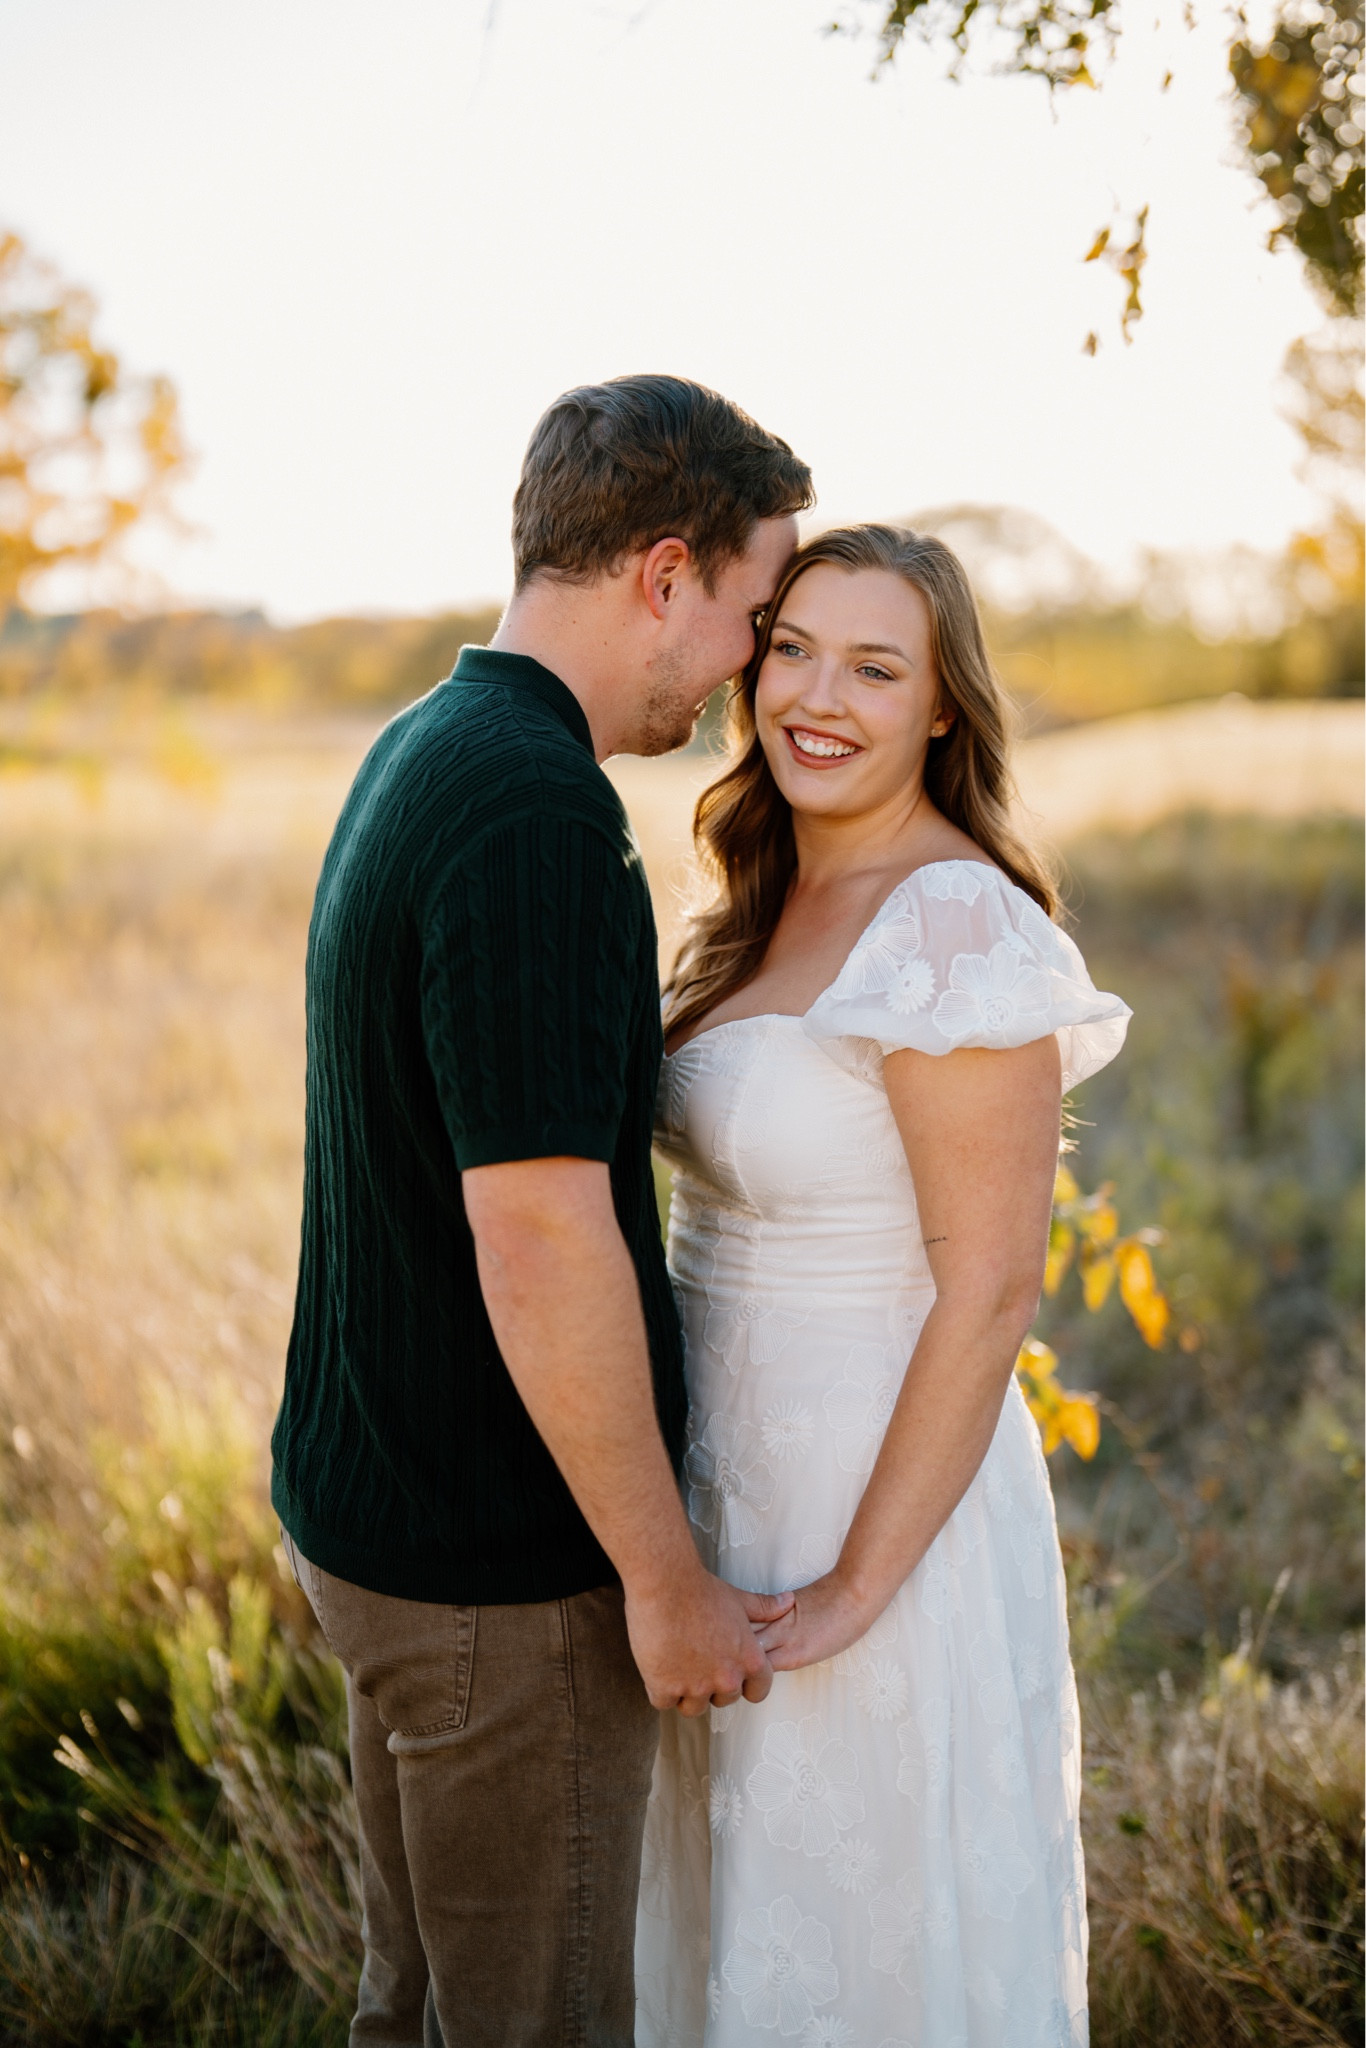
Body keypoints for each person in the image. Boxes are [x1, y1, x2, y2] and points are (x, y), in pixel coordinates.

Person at [270, 374, 813, 2048]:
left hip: (384, 1523)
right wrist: (661, 1581)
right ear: (664, 574)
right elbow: (540, 1233)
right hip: (494, 1583)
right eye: (751, 611)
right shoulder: (534, 811)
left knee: (418, 2011)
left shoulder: (427, 742)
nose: (751, 670)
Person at [636, 524, 1131, 2046]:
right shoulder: (760, 897)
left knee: (855, 1939)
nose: (817, 697)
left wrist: (856, 1584)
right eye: (791, 650)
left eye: (873, 665)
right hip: (720, 1480)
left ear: (939, 708)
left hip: (873, 1502)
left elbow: (987, 1291)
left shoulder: (955, 923)